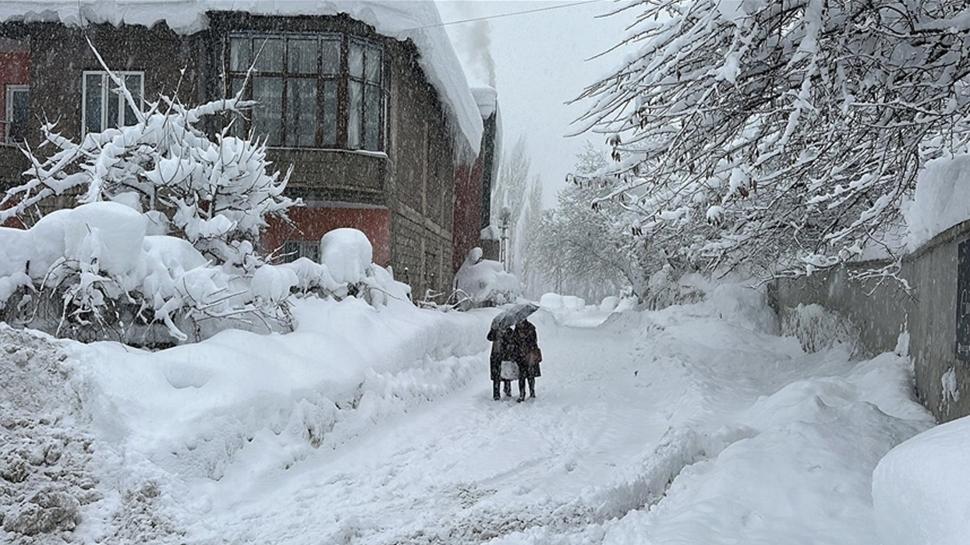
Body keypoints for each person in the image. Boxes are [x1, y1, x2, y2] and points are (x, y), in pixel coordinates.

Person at [511, 319, 541, 401]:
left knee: (530, 375)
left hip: (529, 355)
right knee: (522, 376)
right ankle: (522, 394)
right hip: (520, 356)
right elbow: (514, 342)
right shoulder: (516, 329)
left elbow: (534, 341)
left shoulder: (531, 328)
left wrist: (525, 339)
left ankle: (532, 392)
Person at [486, 326, 514, 400]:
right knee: (496, 376)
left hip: (505, 356)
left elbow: (512, 341)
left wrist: (506, 339)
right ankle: (496, 394)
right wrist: (493, 329)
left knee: (506, 375)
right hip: (496, 356)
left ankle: (507, 391)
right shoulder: (495, 330)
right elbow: (489, 338)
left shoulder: (509, 331)